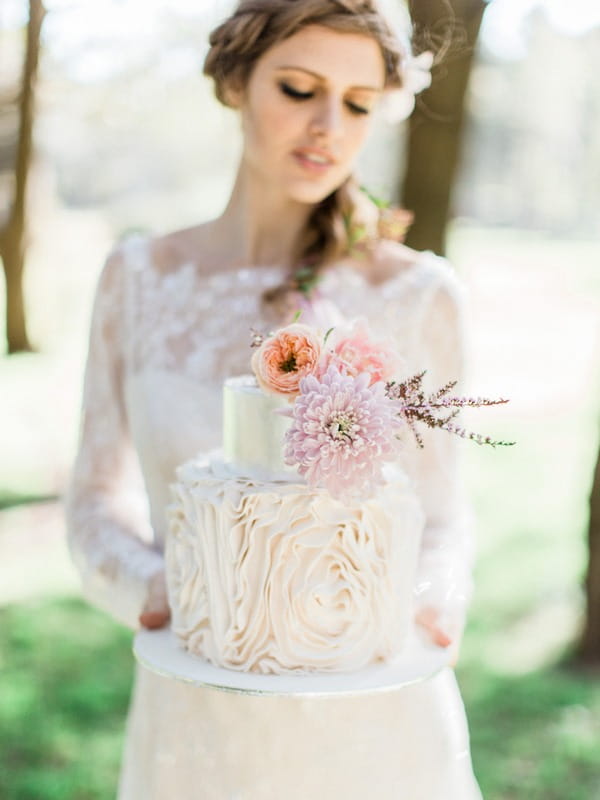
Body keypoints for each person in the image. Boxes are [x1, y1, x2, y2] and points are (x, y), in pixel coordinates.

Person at [66, 1, 483, 797]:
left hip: (376, 716)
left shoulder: (419, 294)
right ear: (235, 83)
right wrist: (175, 596)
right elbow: (91, 500)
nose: (329, 124)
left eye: (359, 104)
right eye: (298, 88)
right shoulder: (139, 278)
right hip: (196, 720)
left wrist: (424, 607)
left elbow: (444, 516)